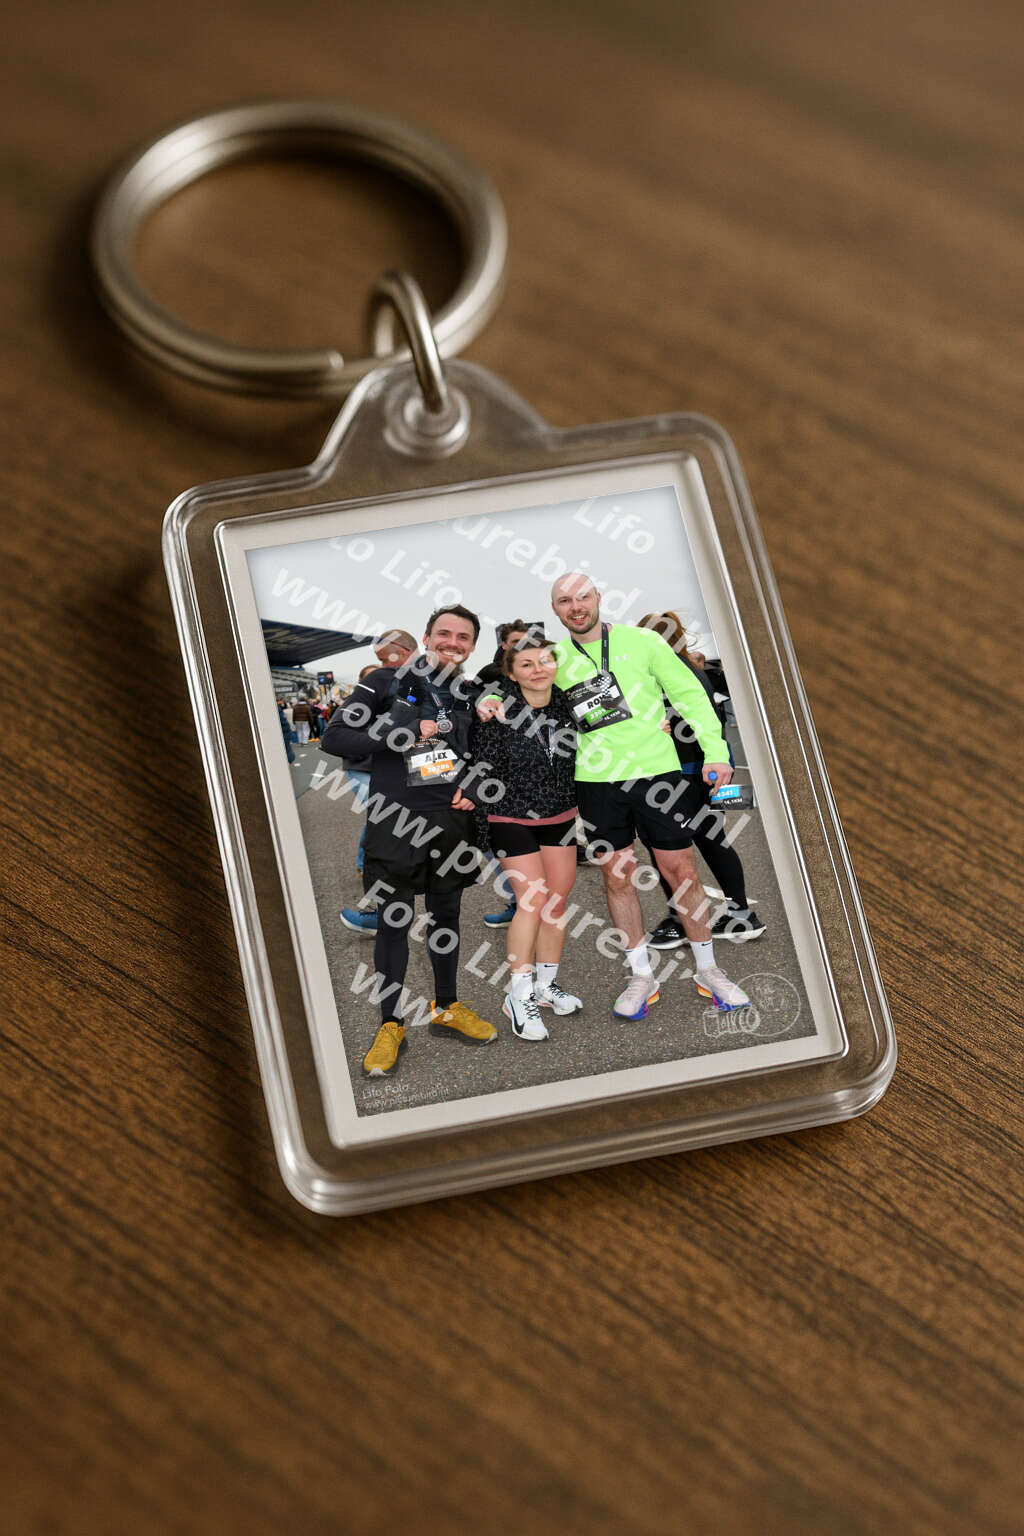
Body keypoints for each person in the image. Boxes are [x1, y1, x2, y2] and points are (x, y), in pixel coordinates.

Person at [479, 573, 750, 1016]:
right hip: (596, 782)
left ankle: (708, 969)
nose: (576, 606)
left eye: (582, 596)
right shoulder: (556, 658)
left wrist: (716, 752)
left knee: (681, 869)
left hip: (658, 775)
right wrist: (484, 701)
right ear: (555, 610)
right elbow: (515, 687)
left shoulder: (643, 641)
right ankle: (641, 974)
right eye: (564, 601)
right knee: (617, 877)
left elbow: (690, 696)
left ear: (598, 598)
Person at [321, 605, 498, 1077]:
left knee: (446, 916)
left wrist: (475, 785)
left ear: (471, 646)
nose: (452, 643)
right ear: (426, 637)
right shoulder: (385, 681)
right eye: (445, 633)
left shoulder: (468, 693)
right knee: (393, 924)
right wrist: (400, 730)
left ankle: (447, 1006)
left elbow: (486, 752)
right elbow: (335, 737)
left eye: (463, 637)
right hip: (395, 824)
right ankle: (391, 1024)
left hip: (451, 824)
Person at [471, 630, 581, 1041]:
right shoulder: (496, 707)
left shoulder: (568, 703)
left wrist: (659, 724)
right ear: (512, 673)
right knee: (531, 901)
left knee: (556, 902)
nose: (538, 670)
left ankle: (546, 986)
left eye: (545, 661)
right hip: (510, 815)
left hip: (560, 814)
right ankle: (519, 995)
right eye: (526, 664)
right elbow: (482, 764)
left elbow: (612, 726)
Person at [638, 611, 764, 948]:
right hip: (709, 771)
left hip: (682, 773)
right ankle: (740, 913)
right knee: (713, 840)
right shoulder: (693, 669)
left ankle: (680, 919)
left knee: (664, 846)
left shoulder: (666, 673)